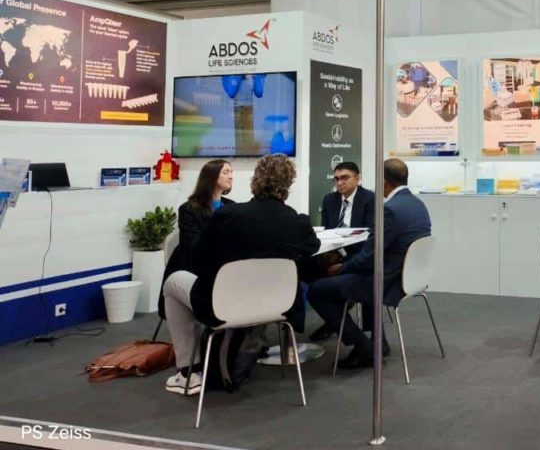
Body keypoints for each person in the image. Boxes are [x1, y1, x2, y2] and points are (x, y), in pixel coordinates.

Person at [161, 154, 320, 395]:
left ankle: (188, 371)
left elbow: (199, 258)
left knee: (173, 281)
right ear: (288, 185)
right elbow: (311, 249)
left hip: (225, 305)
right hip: (278, 306)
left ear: (255, 180)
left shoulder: (228, 216)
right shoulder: (299, 223)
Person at [307, 158, 431, 370]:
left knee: (317, 291)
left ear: (384, 181)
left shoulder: (388, 210)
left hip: (385, 281)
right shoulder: (418, 205)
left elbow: (369, 256)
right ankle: (378, 342)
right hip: (408, 276)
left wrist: (342, 268)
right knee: (339, 278)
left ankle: (364, 347)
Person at [306, 162, 375, 341]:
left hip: (359, 253)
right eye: (336, 179)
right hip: (335, 252)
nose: (339, 183)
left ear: (357, 178)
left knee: (365, 272)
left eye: (344, 178)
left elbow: (371, 235)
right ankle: (334, 317)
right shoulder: (330, 200)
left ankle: (343, 321)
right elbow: (328, 231)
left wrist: (346, 262)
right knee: (308, 270)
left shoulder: (370, 199)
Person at [157, 159, 234, 320]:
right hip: (194, 267)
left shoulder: (231, 206)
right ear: (211, 177)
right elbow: (192, 245)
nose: (231, 176)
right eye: (225, 172)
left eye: (231, 172)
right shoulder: (189, 209)